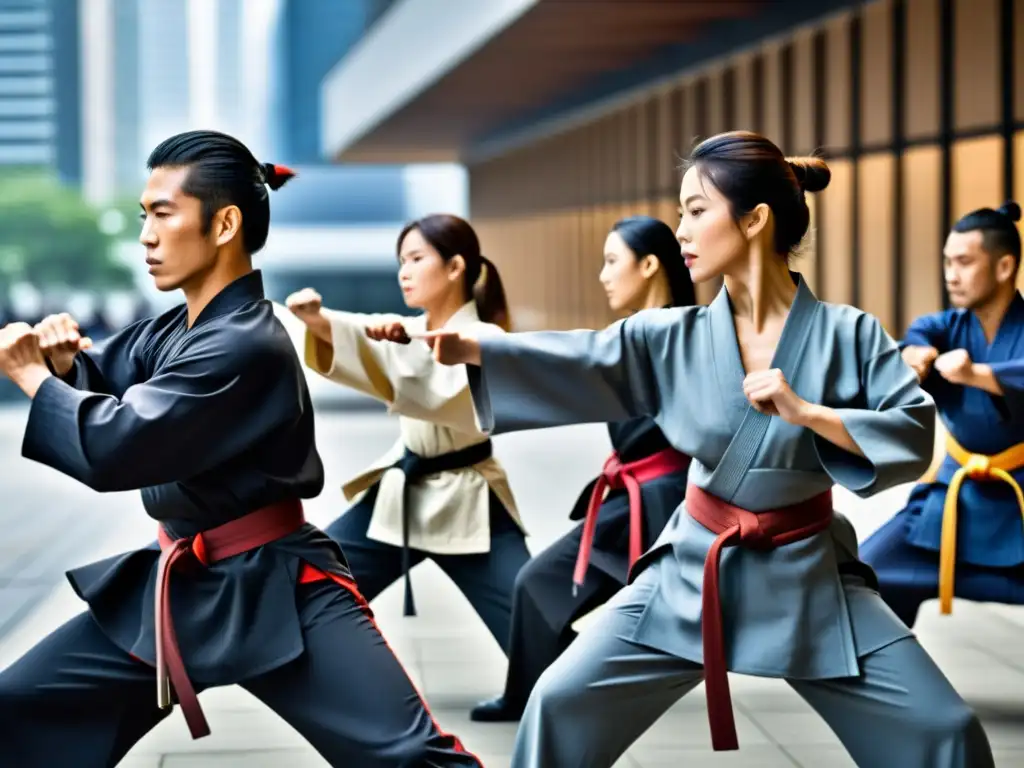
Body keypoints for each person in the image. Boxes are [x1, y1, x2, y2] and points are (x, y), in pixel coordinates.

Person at [407, 131, 995, 767]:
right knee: (559, 702)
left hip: (811, 578)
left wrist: (809, 413)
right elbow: (583, 356)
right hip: (691, 571)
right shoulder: (669, 336)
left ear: (754, 220)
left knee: (944, 728)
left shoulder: (849, 334)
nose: (679, 230)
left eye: (694, 211)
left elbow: (911, 428)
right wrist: (473, 347)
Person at [0, 130, 481, 768]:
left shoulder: (245, 343)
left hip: (277, 585)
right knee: (21, 705)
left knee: (408, 758)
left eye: (163, 214)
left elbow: (117, 444)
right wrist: (61, 367)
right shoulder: (179, 327)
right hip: (177, 584)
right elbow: (107, 381)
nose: (146, 234)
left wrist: (34, 378)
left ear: (224, 223)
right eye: (145, 215)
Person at [471, 215, 695, 723]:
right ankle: (550, 695)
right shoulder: (636, 334)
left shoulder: (682, 332)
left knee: (546, 589)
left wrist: (486, 350)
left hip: (665, 502)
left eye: (613, 260)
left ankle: (548, 695)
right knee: (540, 588)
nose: (602, 274)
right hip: (638, 495)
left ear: (650, 264)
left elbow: (572, 362)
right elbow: (574, 363)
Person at [285, 213, 530, 654]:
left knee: (531, 620)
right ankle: (332, 673)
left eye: (417, 258)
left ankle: (534, 695)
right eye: (401, 260)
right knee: (317, 584)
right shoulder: (407, 331)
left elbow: (440, 392)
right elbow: (359, 332)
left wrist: (396, 345)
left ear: (455, 267)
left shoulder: (485, 337)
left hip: (469, 495)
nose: (404, 270)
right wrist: (318, 320)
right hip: (403, 488)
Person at [860, 202, 1024, 626]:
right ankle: (896, 682)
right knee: (866, 572)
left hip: (1019, 494)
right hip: (955, 495)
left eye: (965, 262)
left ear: (1005, 266)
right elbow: (917, 338)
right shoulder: (945, 328)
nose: (951, 274)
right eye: (948, 262)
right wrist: (911, 354)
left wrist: (980, 374)